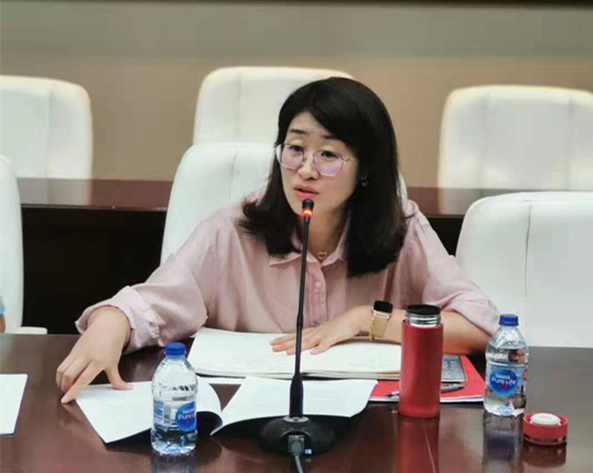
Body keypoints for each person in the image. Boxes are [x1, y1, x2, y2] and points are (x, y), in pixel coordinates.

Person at [57, 78, 498, 403]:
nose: (305, 169)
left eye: (328, 155)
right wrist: (110, 323)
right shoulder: (233, 231)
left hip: (372, 429)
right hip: (251, 427)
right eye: (295, 148)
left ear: (365, 168)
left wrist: (366, 320)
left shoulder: (402, 229)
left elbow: (479, 327)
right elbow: (150, 305)